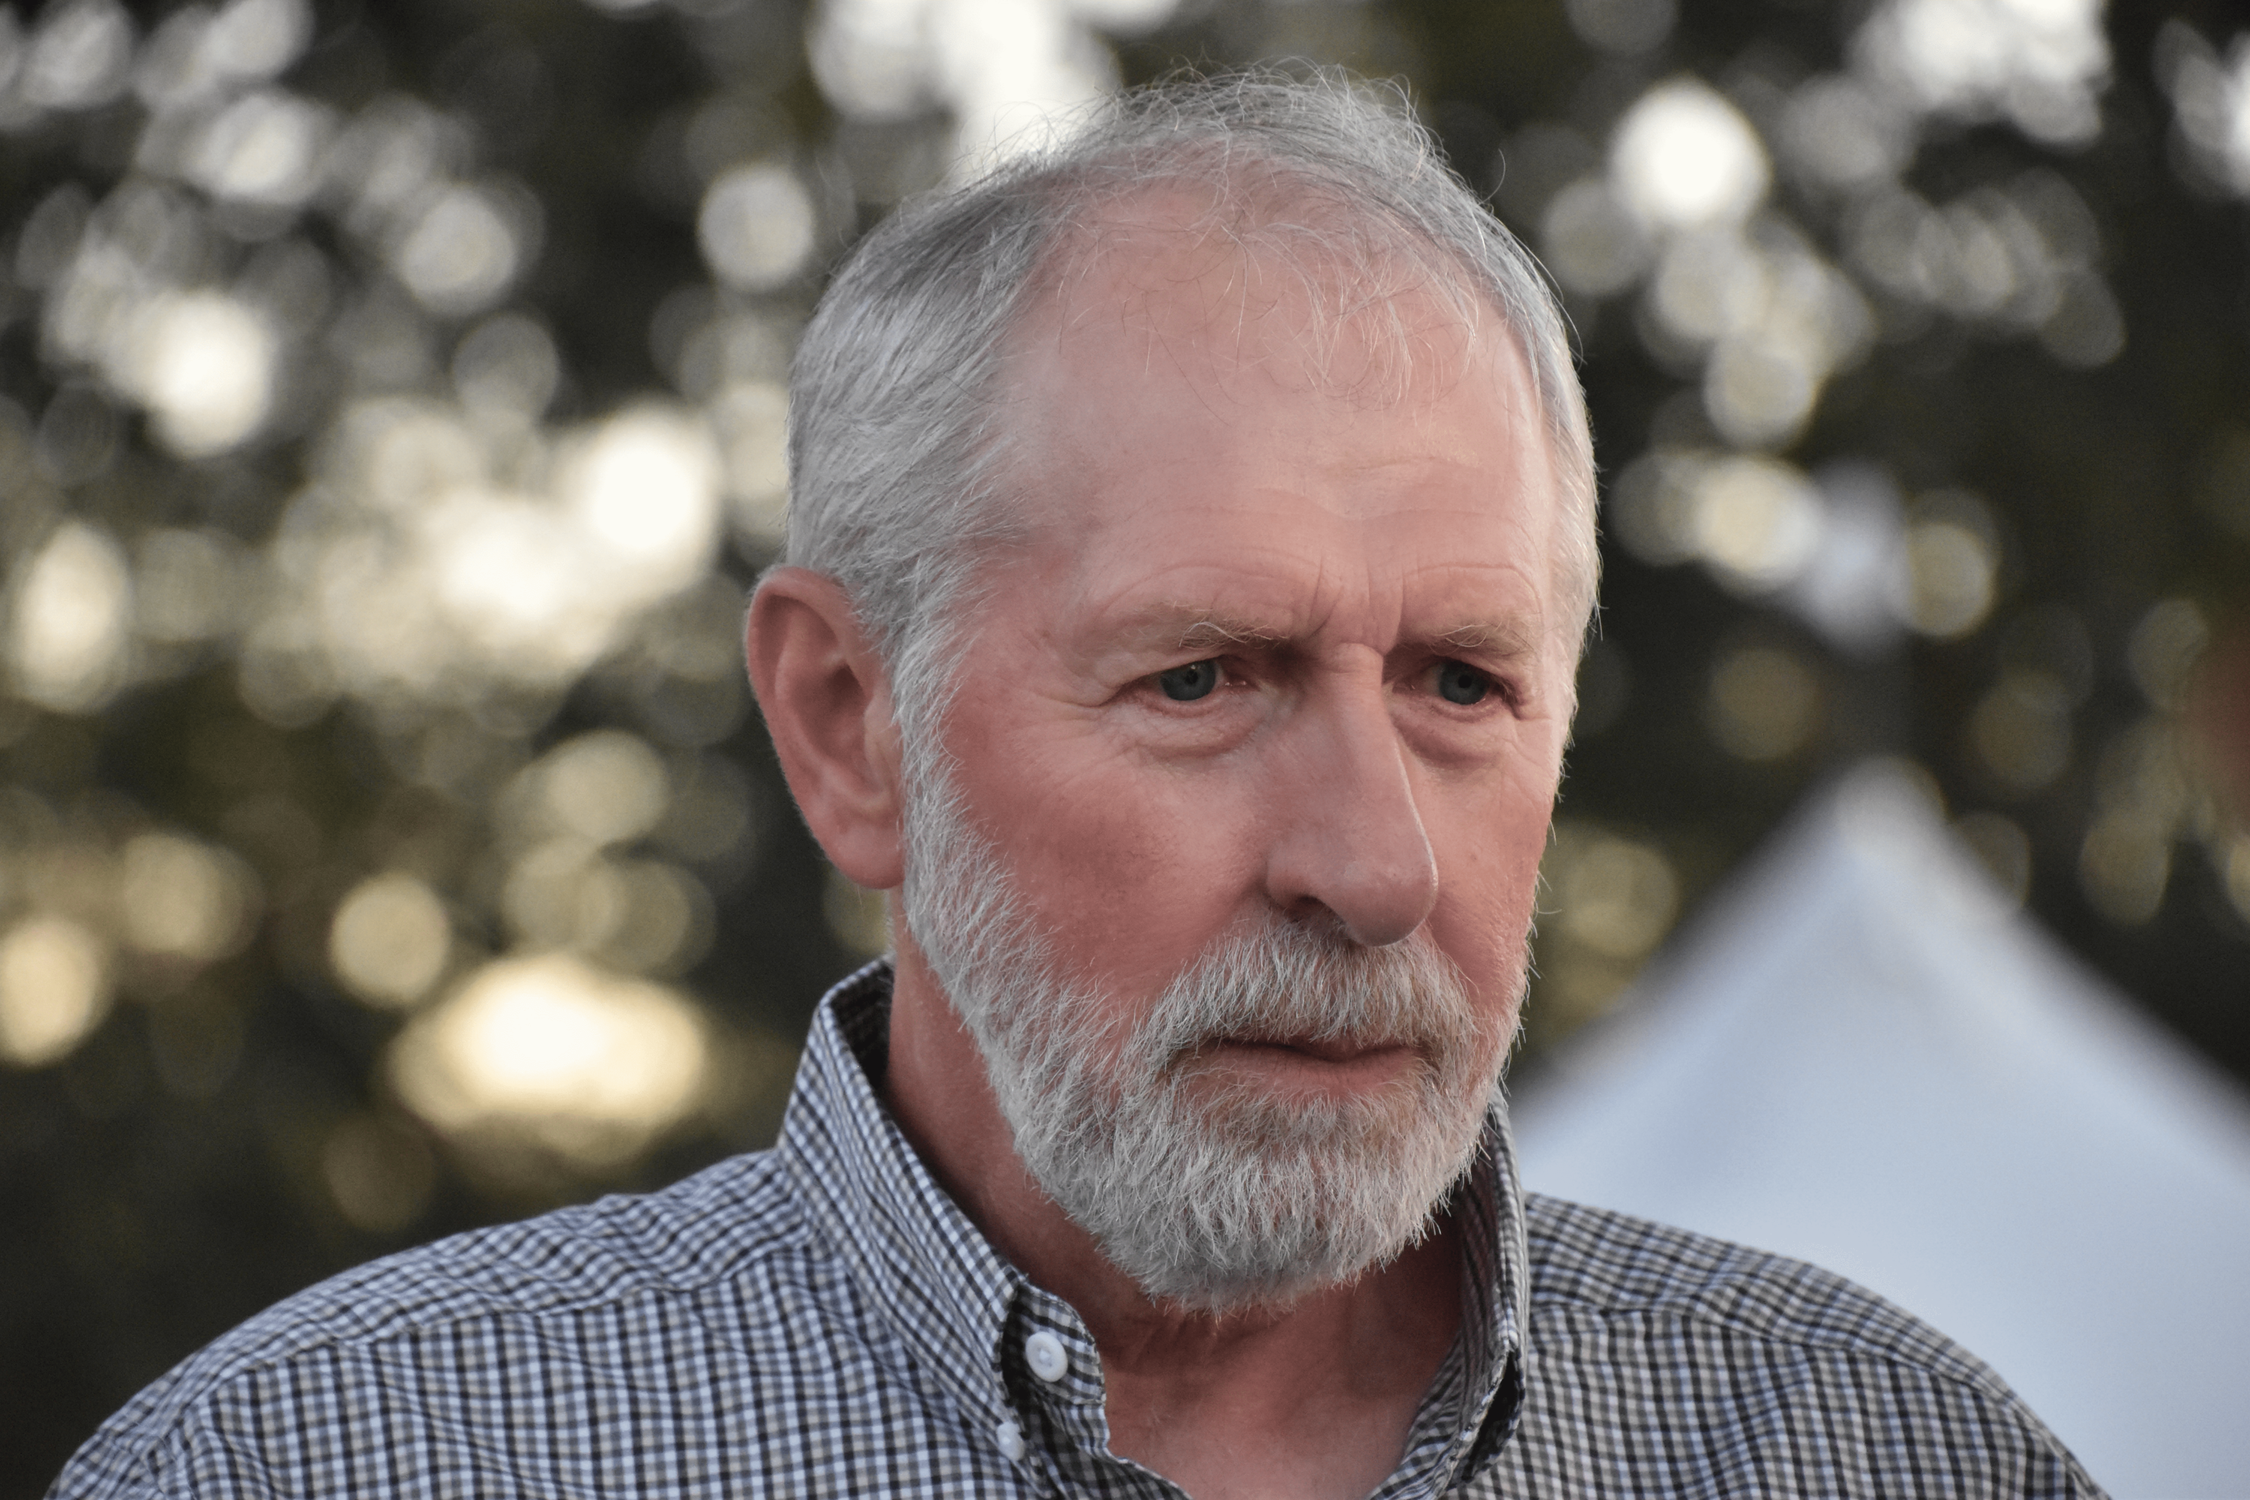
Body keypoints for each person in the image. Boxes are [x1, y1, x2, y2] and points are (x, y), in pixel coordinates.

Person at [54, 71, 2101, 1499]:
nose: (1375, 867)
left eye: (1463, 684)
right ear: (849, 726)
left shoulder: (1886, 1456)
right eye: (1202, 676)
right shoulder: (321, 1468)